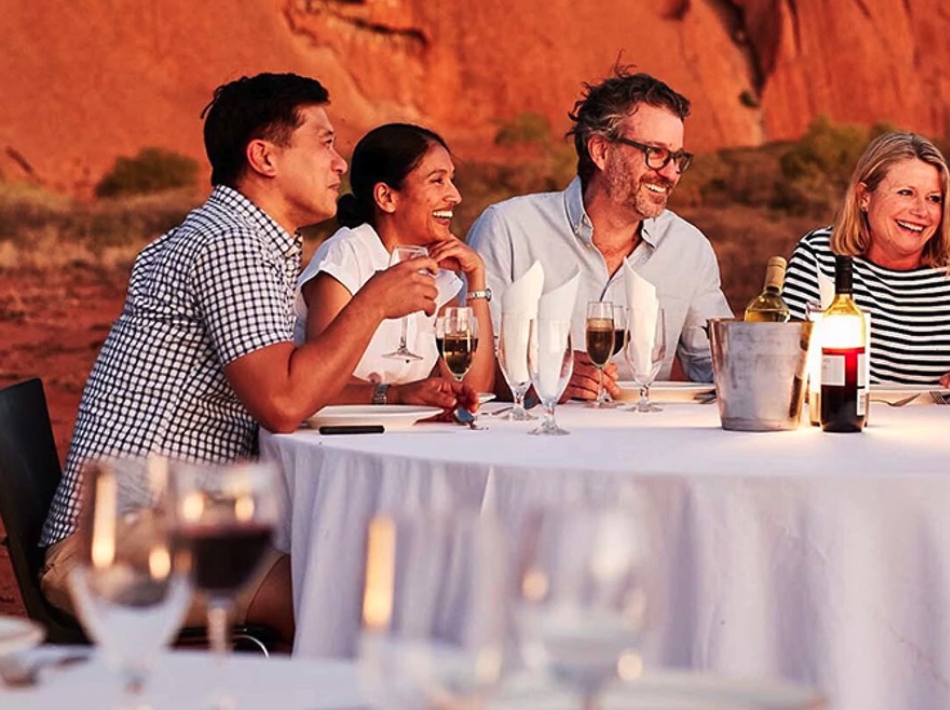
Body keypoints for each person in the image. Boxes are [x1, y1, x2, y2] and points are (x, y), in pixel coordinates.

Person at [39, 74, 440, 643]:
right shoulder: (231, 244)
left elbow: (292, 383)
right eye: (324, 142)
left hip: (158, 523)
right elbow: (284, 404)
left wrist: (390, 393)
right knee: (342, 601)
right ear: (264, 157)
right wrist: (373, 302)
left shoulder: (243, 238)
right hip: (117, 546)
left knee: (357, 567)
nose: (339, 163)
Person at [468, 68, 732, 400]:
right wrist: (542, 381)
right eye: (655, 153)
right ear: (601, 152)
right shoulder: (508, 229)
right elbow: (472, 366)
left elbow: (717, 365)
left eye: (678, 158)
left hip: (648, 433)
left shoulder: (689, 248)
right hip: (538, 431)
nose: (671, 173)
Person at [296, 123, 495, 410]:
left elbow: (472, 387)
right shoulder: (348, 255)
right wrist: (395, 394)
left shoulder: (439, 270)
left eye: (451, 180)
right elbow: (317, 382)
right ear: (386, 197)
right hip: (334, 431)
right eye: (437, 181)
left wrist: (476, 278)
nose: (455, 196)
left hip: (403, 431)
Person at [783, 132, 950, 399]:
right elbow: (786, 372)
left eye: (934, 198)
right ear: (864, 197)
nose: (921, 211)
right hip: (838, 421)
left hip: (936, 425)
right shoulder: (820, 256)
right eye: (906, 193)